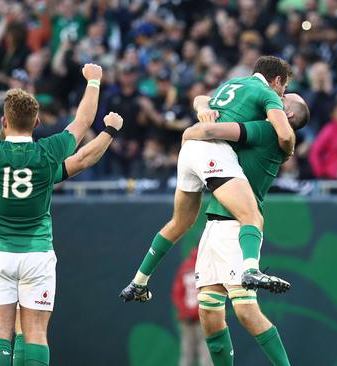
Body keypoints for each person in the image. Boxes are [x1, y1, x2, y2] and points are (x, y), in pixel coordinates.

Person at [0, 55, 104, 366]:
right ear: (37, 123)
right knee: (35, 335)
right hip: (37, 254)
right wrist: (93, 81)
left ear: (3, 121)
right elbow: (82, 124)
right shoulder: (48, 153)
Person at [120, 56, 295, 303]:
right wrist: (288, 151)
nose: (282, 93)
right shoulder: (268, 93)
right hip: (212, 149)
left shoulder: (233, 83)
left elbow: (200, 98)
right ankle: (250, 270)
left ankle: (139, 282)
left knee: (180, 222)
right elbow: (285, 134)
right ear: (277, 80)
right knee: (252, 216)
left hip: (190, 150)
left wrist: (202, 109)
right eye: (284, 88)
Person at [178, 93, 309, 366]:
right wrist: (203, 103)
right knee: (209, 313)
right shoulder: (272, 132)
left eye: (281, 101)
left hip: (235, 225)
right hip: (215, 222)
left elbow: (206, 130)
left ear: (289, 117)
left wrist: (203, 112)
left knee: (246, 310)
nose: (274, 100)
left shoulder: (264, 130)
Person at [172, 248, 213, 366]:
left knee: (187, 355)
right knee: (206, 355)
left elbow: (177, 293)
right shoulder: (208, 266)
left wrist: (185, 312)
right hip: (203, 317)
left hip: (187, 318)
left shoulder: (185, 266)